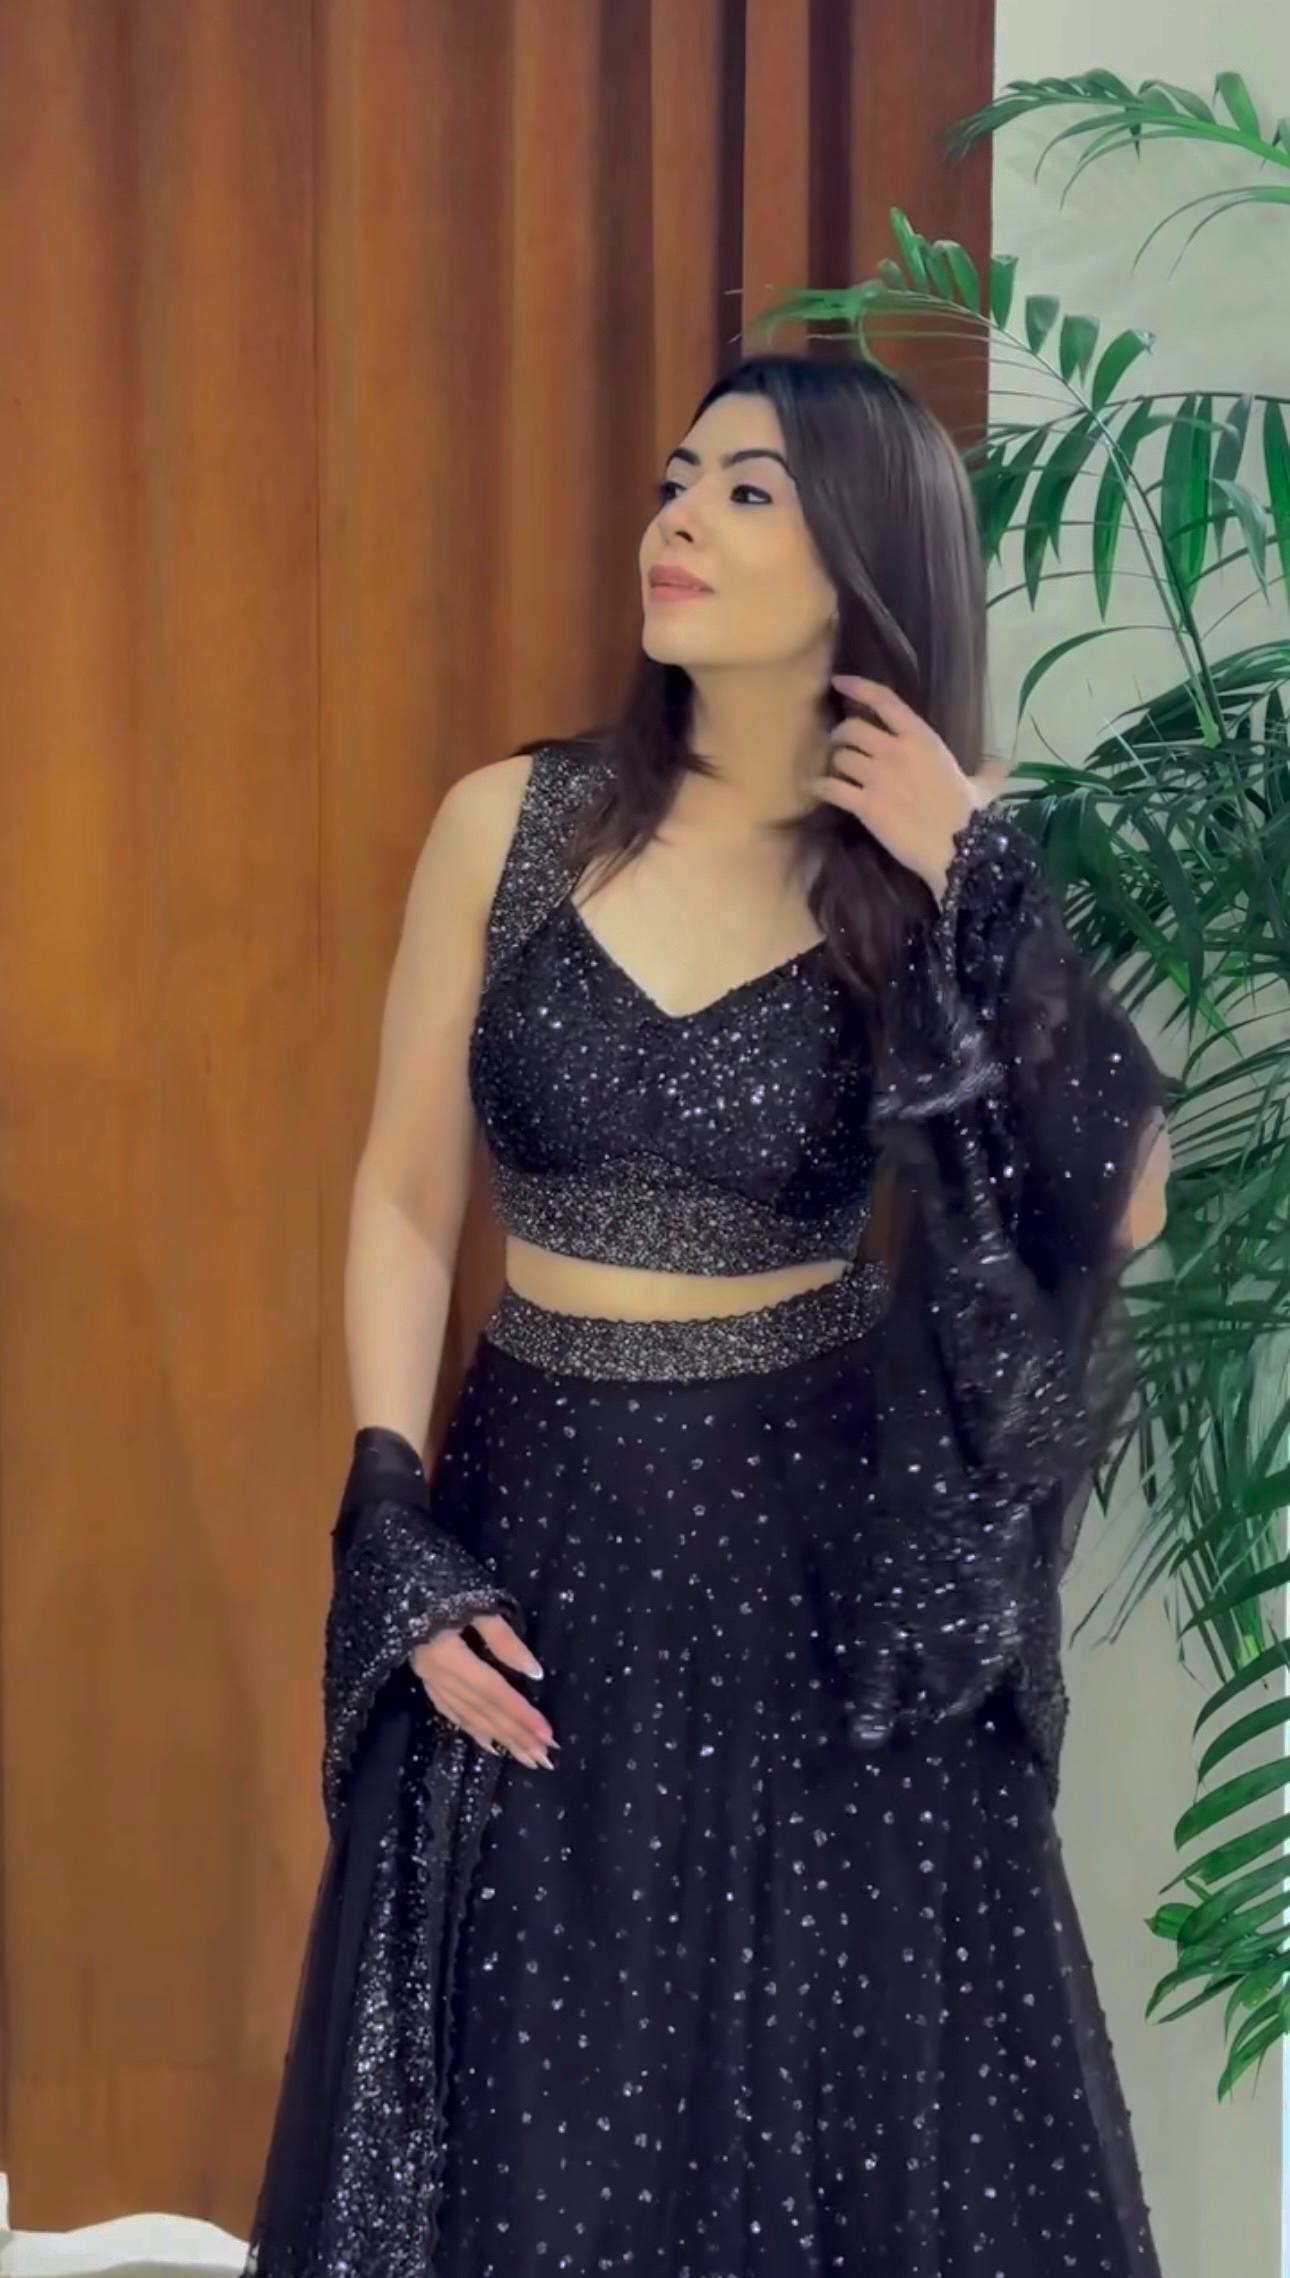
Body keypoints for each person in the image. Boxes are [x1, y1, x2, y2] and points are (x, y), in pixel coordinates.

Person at [242, 350, 1173, 2278]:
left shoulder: (935, 860)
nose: (676, 518)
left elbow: (1127, 1184)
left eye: (747, 491)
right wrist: (387, 1499)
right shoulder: (512, 823)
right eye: (678, 479)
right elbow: (406, 1190)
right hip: (533, 1520)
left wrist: (975, 866)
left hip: (817, 1561)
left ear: (861, 559)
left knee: (813, 2108)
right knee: (535, 2120)